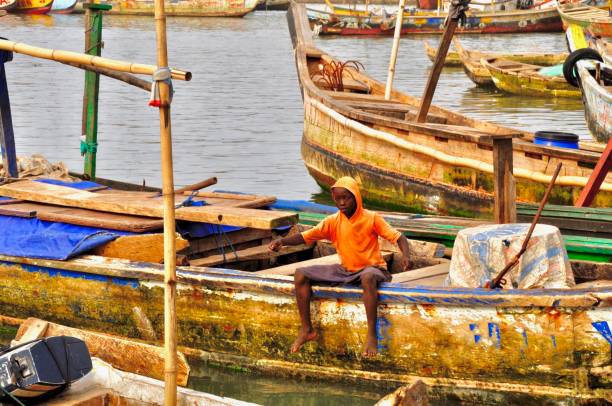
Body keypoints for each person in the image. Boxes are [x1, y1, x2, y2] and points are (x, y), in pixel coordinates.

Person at [268, 176, 410, 357]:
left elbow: (399, 237)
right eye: (337, 199)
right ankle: (307, 329)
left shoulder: (371, 218)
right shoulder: (333, 221)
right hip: (346, 270)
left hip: (373, 269)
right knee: (301, 274)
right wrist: (282, 241)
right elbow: (307, 236)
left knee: (367, 277)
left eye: (346, 198)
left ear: (356, 198)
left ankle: (372, 335)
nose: (342, 203)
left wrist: (406, 256)